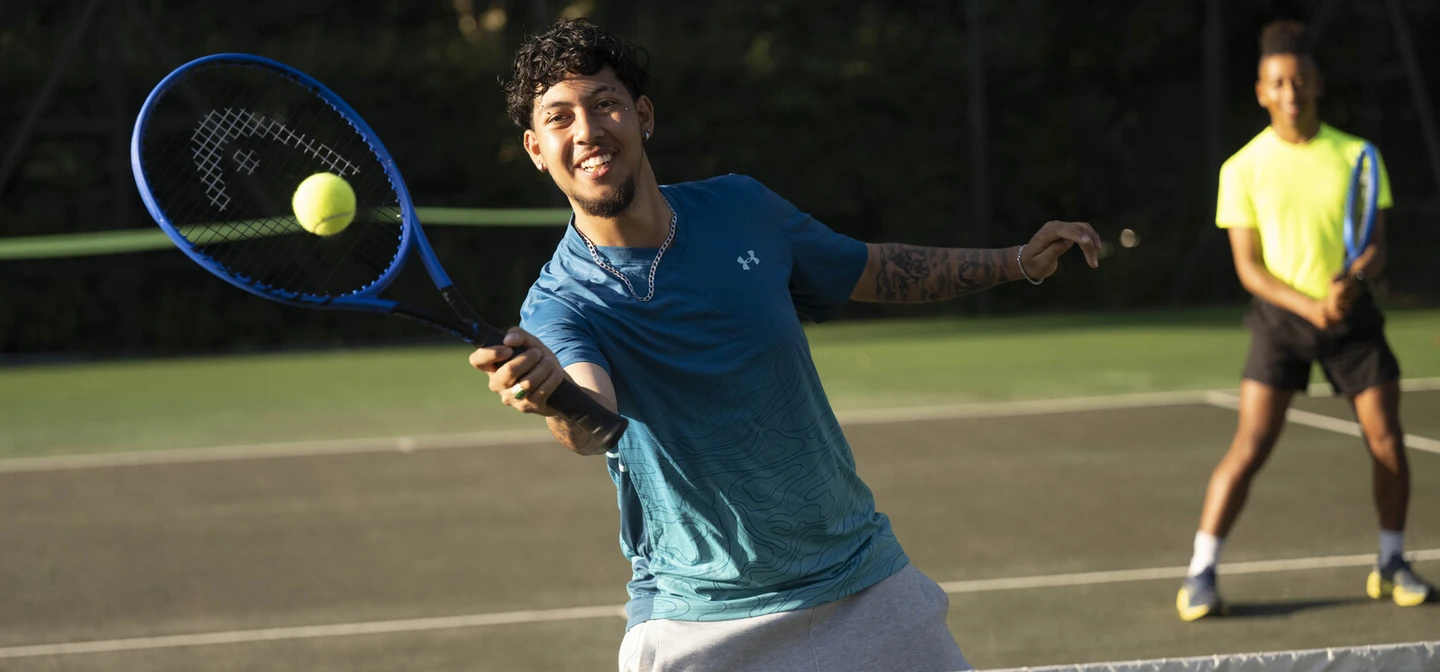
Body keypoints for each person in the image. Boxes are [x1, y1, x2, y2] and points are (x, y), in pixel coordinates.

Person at [468, 18, 1100, 671]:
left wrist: (1017, 260)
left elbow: (873, 268)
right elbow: (590, 424)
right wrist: (550, 394)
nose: (588, 131)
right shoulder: (559, 304)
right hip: (699, 624)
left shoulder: (743, 209)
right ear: (536, 149)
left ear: (643, 116)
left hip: (864, 584)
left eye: (605, 105)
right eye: (560, 118)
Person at [1176, 19, 1433, 622]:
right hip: (1281, 320)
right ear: (1262, 92)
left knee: (1388, 443)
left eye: (1299, 79)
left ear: (1315, 82)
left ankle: (1391, 562)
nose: (1290, 92)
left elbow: (1375, 246)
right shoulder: (1241, 168)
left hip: (1353, 321)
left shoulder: (1358, 156)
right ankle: (1200, 574)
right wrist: (1311, 304)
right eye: (1277, 82)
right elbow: (1249, 268)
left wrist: (1357, 280)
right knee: (1250, 446)